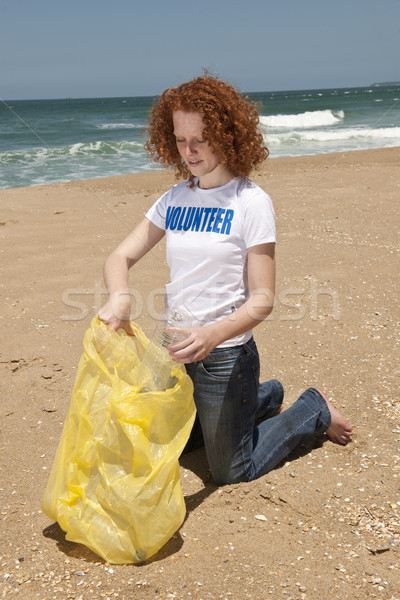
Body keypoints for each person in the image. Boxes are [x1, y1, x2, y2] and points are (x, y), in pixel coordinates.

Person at [98, 75, 353, 486]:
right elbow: (119, 255)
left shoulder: (250, 202)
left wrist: (213, 335)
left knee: (231, 470)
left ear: (228, 134)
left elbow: (262, 300)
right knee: (171, 446)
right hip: (174, 350)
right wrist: (119, 294)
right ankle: (264, 396)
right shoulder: (174, 199)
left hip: (225, 357)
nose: (190, 151)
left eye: (201, 138)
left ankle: (312, 409)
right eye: (180, 140)